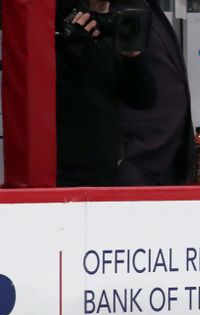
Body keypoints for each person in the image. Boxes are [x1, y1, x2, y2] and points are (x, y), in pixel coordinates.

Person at [56, 0, 155, 186]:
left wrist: (134, 59)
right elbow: (48, 93)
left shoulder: (120, 25)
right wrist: (72, 46)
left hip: (104, 163)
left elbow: (143, 100)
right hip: (62, 164)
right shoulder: (59, 21)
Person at [115, 0, 195, 186]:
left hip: (170, 154)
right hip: (136, 158)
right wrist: (121, 152)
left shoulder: (150, 9)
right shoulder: (113, 12)